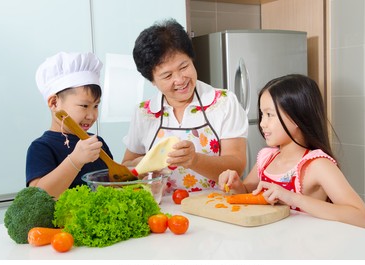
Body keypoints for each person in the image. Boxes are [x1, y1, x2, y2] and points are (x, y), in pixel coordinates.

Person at [218, 74, 365, 229]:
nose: (262, 123)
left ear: (297, 117)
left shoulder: (317, 165)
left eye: (270, 115)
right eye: (262, 114)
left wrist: (291, 198)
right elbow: (246, 192)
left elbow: (363, 219)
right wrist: (236, 185)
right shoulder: (267, 159)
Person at [122, 19, 248, 192]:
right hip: (160, 211)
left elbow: (237, 165)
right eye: (167, 76)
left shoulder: (223, 102)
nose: (180, 80)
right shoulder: (144, 113)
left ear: (192, 59)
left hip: (214, 207)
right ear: (151, 81)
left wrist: (194, 160)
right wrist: (143, 165)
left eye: (184, 66)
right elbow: (126, 168)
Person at [26, 51, 113, 198]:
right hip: (62, 221)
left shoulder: (97, 142)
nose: (92, 115)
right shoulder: (41, 147)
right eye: (84, 106)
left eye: (96, 106)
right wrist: (75, 160)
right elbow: (37, 196)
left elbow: (112, 181)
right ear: (54, 103)